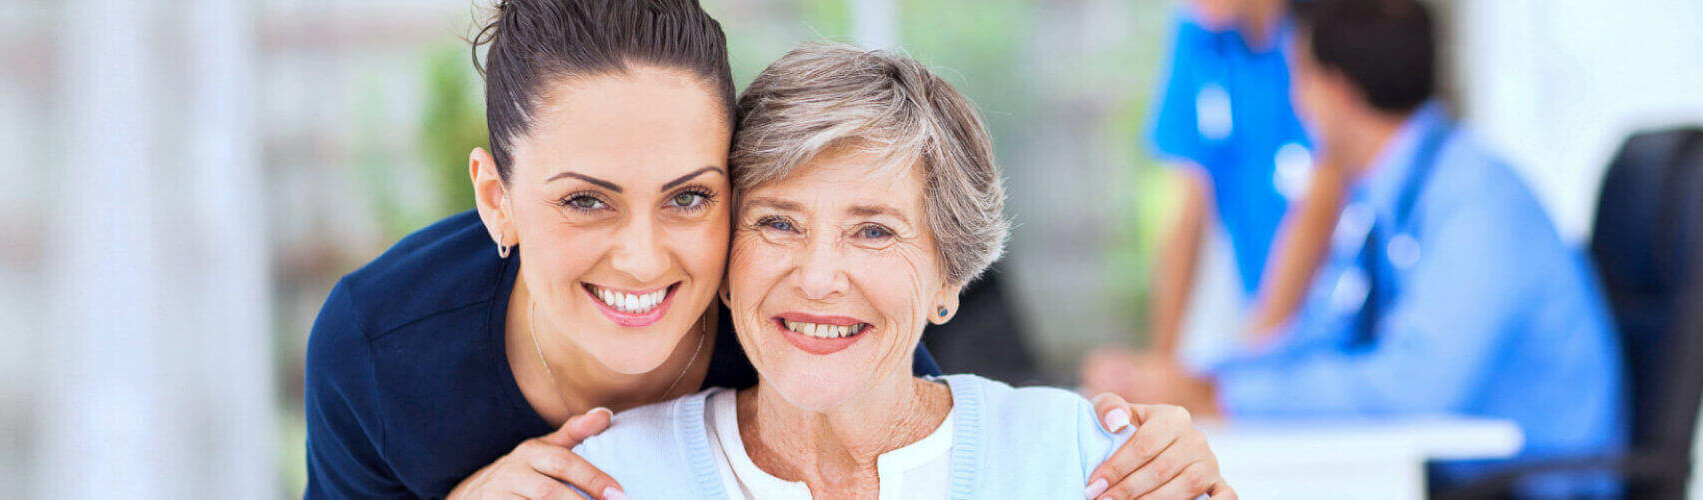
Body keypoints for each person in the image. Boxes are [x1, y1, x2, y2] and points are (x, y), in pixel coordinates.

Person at [302, 1, 1227, 498]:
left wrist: (1170, 457)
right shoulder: (378, 347)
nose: (643, 256)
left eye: (691, 197)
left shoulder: (804, 327)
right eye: (586, 200)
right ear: (496, 199)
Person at [574, 43, 1237, 500]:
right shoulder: (609, 476)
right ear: (724, 260)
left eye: (873, 231)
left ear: (949, 277)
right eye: (778, 222)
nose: (819, 276)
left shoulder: (1083, 458)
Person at [1092, 0, 1629, 497]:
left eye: (1299, 76)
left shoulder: (1477, 199)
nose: (1296, 100)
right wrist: (1202, 380)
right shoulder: (1389, 194)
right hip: (1466, 475)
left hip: (1538, 485)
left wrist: (1225, 397)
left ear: (1337, 90)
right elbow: (1328, 335)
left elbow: (1413, 386)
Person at [1099, 0, 1348, 384]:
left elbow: (1323, 196)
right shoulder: (1198, 35)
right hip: (1261, 315)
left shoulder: (1322, 32)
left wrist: (1254, 357)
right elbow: (1189, 207)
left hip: (1333, 319)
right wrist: (1160, 368)